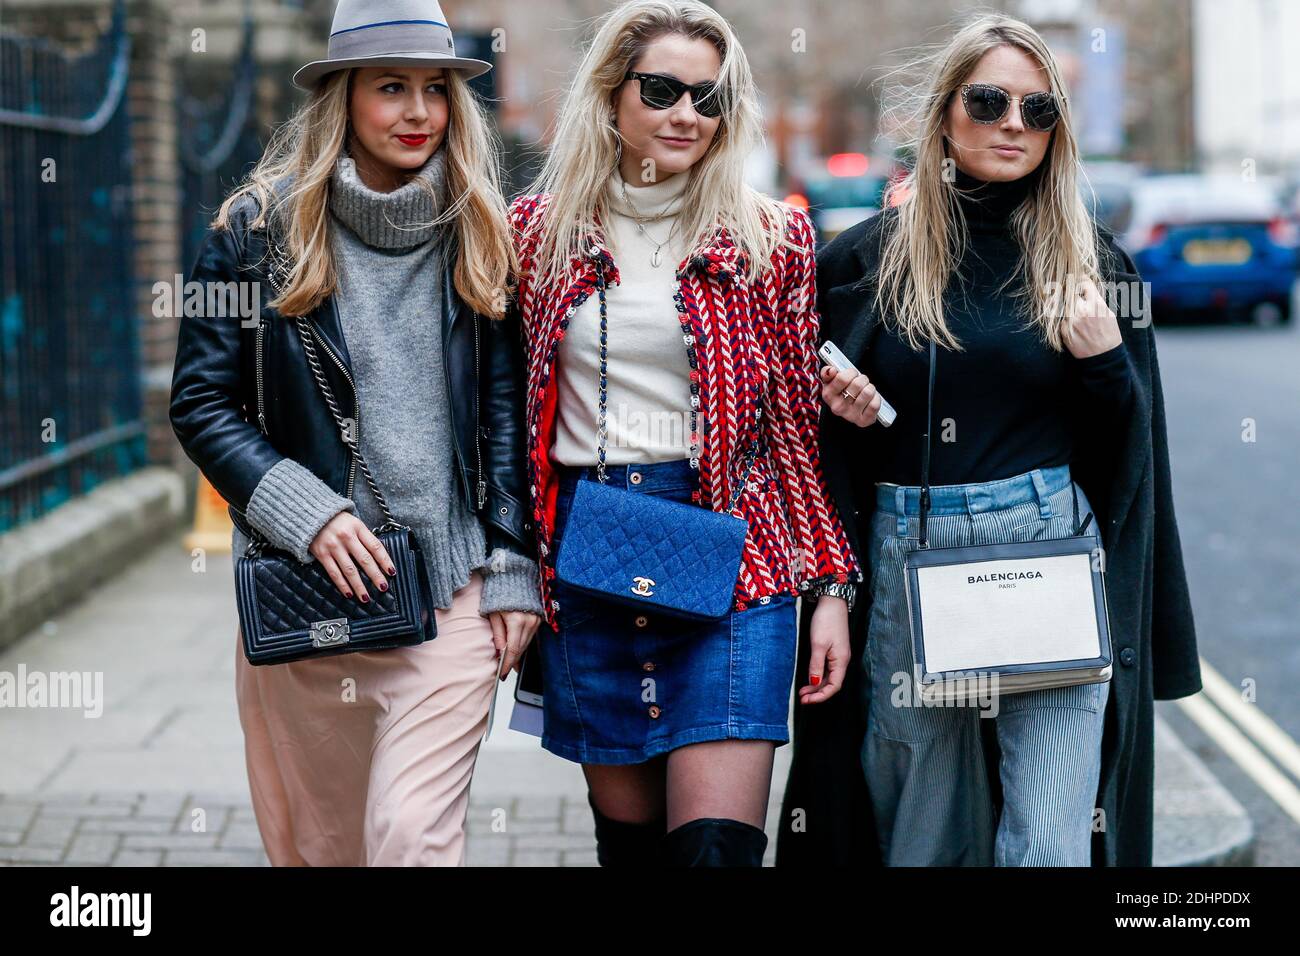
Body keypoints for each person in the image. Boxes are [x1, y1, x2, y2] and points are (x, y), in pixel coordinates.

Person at [778, 14, 1201, 867]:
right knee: (918, 836)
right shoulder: (865, 263)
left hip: (1050, 545)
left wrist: (1107, 365)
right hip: (911, 550)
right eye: (989, 100)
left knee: (1048, 840)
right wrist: (845, 418)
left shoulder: (1096, 265)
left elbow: (1130, 461)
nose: (1015, 123)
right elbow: (805, 448)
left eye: (1039, 111)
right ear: (944, 114)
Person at [169, 0, 542, 866]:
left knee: (410, 840)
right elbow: (200, 402)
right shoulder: (251, 234)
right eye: (391, 88)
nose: (419, 112)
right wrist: (310, 512)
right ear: (341, 97)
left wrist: (512, 561)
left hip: (451, 593)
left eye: (435, 90)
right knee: (324, 850)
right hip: (309, 599)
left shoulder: (482, 229)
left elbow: (502, 408)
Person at [509, 0, 861, 866]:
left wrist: (833, 591)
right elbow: (493, 406)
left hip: (739, 557)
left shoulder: (770, 237)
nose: (687, 116)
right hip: (593, 550)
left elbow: (791, 437)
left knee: (715, 850)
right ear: (610, 95)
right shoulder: (535, 234)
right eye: (663, 90)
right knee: (630, 853)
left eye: (709, 97)